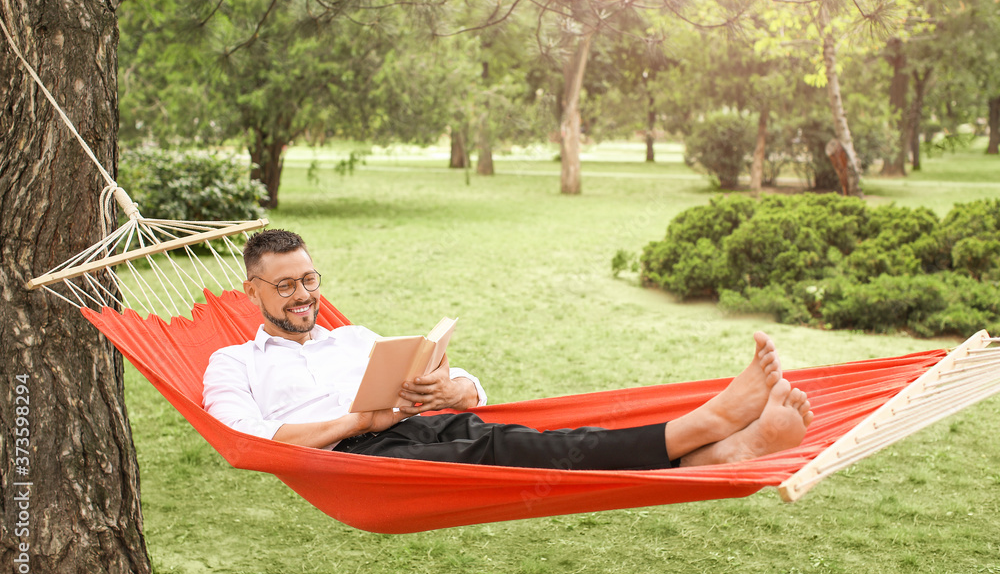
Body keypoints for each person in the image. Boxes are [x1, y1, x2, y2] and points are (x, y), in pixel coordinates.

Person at [203, 229, 814, 471]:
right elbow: (246, 442)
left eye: (309, 280)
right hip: (354, 460)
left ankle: (717, 454)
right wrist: (362, 420)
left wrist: (449, 388)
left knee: (526, 433)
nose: (303, 295)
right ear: (251, 289)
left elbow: (467, 388)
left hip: (421, 426)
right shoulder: (233, 364)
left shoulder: (353, 338)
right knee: (505, 446)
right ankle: (703, 425)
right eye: (284, 286)